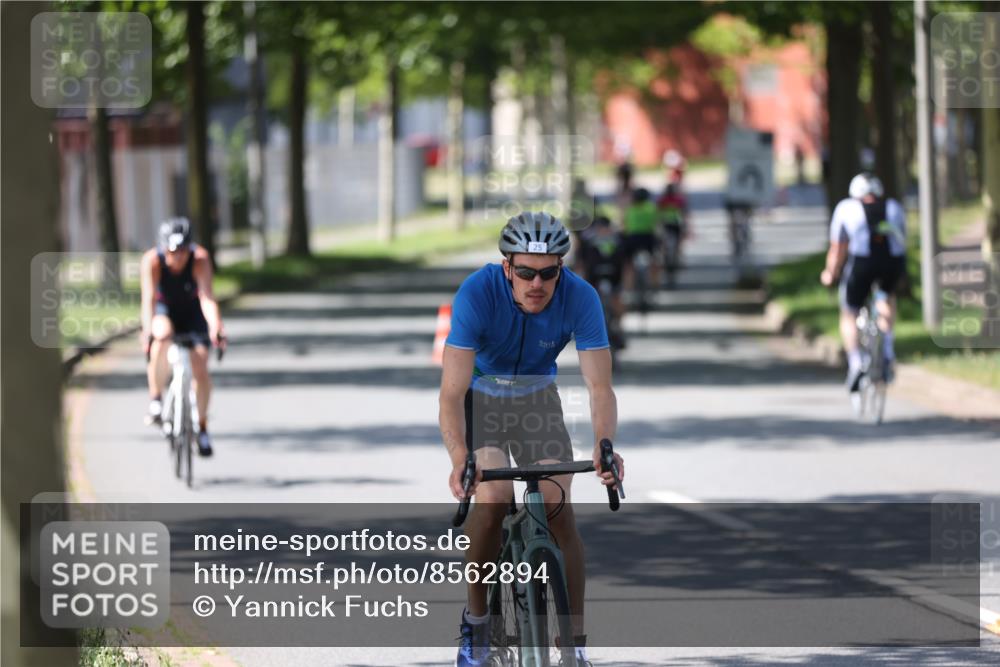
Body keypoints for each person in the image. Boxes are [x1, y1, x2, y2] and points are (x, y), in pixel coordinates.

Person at [439, 212, 625, 667]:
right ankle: (476, 626)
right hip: (482, 398)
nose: (537, 283)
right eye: (525, 272)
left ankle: (574, 644)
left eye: (548, 273)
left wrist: (605, 447)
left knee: (559, 509)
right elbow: (451, 393)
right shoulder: (477, 293)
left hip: (538, 399)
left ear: (562, 268)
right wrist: (461, 458)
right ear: (508, 268)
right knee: (494, 499)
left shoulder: (580, 297)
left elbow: (600, 387)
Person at [140, 217, 226, 456]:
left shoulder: (200, 259)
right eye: (172, 252)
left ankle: (202, 426)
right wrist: (147, 331)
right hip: (164, 310)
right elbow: (147, 299)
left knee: (201, 366)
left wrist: (216, 326)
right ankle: (156, 400)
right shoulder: (152, 262)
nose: (178, 258)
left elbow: (207, 297)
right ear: (163, 247)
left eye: (183, 252)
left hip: (192, 312)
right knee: (162, 338)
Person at [820, 173, 907, 390]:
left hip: (862, 263)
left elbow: (837, 248)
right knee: (886, 298)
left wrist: (830, 272)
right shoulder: (894, 206)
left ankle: (856, 362)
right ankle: (887, 350)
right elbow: (901, 239)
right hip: (893, 263)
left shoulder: (846, 208)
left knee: (849, 312)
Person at [575, 215, 627, 349]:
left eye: (605, 228)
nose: (603, 231)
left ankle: (620, 328)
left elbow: (625, 263)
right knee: (587, 302)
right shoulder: (588, 241)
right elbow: (581, 262)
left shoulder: (617, 241)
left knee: (618, 301)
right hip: (593, 279)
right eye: (600, 228)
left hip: (614, 277)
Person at [623, 187, 661, 292]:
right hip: (648, 237)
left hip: (633, 238)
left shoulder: (630, 208)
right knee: (655, 260)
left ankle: (628, 287)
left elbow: (624, 224)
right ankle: (655, 283)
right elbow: (657, 223)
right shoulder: (651, 207)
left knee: (628, 263)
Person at [656, 182, 689, 285]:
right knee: (676, 244)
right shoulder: (678, 199)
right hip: (674, 225)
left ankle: (670, 258)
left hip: (668, 225)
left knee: (667, 246)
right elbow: (684, 214)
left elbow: (658, 214)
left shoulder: (663, 200)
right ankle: (676, 258)